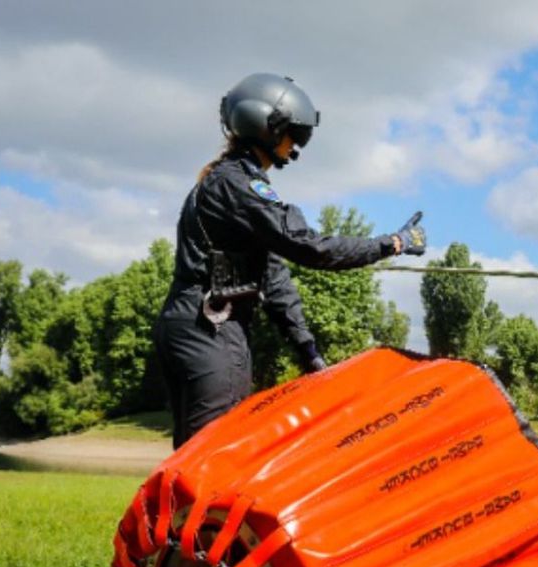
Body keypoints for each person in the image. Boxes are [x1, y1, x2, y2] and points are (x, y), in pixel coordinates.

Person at [153, 73, 426, 449]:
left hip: (190, 325)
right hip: (213, 328)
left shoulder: (225, 183)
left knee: (191, 454)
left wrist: (308, 352)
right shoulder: (240, 187)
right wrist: (392, 244)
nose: (297, 143)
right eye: (294, 133)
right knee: (212, 456)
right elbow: (310, 247)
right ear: (269, 128)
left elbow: (273, 277)